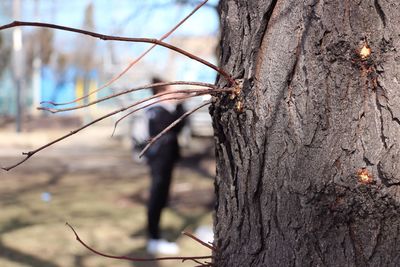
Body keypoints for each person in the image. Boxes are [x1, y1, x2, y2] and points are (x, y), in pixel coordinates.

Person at [143, 77, 186, 254]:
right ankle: (154, 238)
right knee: (157, 196)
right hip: (159, 159)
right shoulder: (157, 110)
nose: (174, 94)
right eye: (170, 91)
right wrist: (181, 104)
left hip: (164, 159)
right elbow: (176, 125)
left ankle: (155, 235)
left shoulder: (160, 110)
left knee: (161, 196)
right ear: (161, 93)